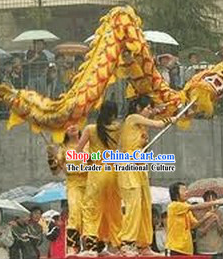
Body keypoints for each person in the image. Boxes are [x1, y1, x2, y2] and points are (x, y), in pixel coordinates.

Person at [118, 95, 177, 256]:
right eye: (148, 108)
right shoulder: (132, 118)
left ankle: (143, 245)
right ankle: (127, 242)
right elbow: (157, 123)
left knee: (145, 206)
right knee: (134, 205)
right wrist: (169, 119)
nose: (150, 111)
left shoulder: (141, 127)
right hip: (127, 166)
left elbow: (154, 118)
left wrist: (162, 109)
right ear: (138, 108)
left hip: (140, 167)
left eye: (151, 108)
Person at [75, 101, 122, 256]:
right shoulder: (118, 128)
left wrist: (89, 158)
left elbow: (78, 151)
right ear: (114, 114)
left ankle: (90, 248)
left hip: (97, 173)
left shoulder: (90, 129)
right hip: (114, 174)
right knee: (112, 210)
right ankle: (114, 245)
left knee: (91, 209)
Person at [47, 125, 88, 255]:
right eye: (68, 125)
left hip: (90, 183)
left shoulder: (88, 144)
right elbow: (55, 171)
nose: (72, 127)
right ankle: (73, 246)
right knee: (75, 212)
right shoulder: (63, 149)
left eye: (75, 123)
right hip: (74, 184)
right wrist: (51, 157)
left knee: (90, 215)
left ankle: (93, 246)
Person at [165, 182, 223, 256]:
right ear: (176, 193)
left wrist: (205, 217)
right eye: (183, 190)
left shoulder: (186, 208)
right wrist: (215, 202)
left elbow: (195, 225)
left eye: (186, 190)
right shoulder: (173, 206)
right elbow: (196, 207)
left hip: (187, 249)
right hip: (175, 248)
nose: (186, 192)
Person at [195, 190, 223, 259]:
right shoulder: (200, 214)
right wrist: (209, 223)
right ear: (205, 202)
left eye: (214, 199)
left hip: (218, 249)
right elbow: (199, 233)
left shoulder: (220, 213)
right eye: (209, 200)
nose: (212, 202)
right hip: (204, 250)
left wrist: (218, 221)